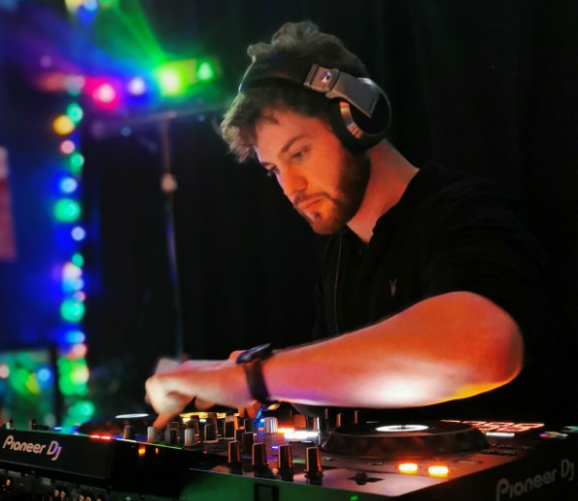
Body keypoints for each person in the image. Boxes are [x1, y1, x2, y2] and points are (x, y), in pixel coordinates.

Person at [145, 21, 549, 429]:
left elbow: (482, 348)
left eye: (298, 153)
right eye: (274, 170)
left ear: (357, 120)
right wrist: (260, 382)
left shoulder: (467, 211)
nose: (291, 188)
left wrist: (253, 378)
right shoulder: (340, 258)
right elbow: (350, 390)